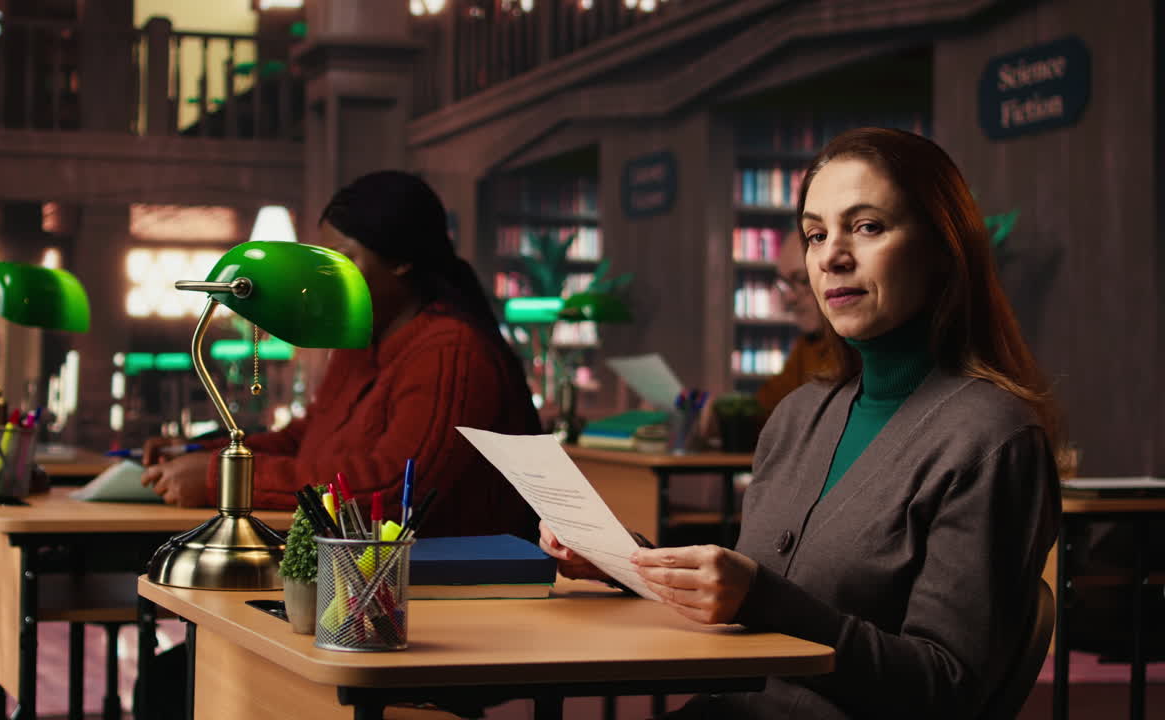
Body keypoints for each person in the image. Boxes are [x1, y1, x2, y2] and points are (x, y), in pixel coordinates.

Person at [541, 128, 1063, 718]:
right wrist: (621, 560)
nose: (832, 256)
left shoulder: (993, 438)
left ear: (945, 247)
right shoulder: (798, 414)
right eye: (816, 234)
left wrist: (761, 599)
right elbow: (754, 597)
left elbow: (946, 689)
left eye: (867, 227)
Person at [141, 170, 541, 540]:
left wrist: (227, 479)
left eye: (346, 258)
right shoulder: (363, 340)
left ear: (402, 261)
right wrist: (201, 453)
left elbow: (390, 490)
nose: (331, 279)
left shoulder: (451, 352)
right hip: (360, 569)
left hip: (435, 591)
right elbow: (306, 440)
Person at [753, 228, 832, 415]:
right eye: (784, 283)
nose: (788, 298)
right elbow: (764, 409)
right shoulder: (808, 345)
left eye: (801, 280)